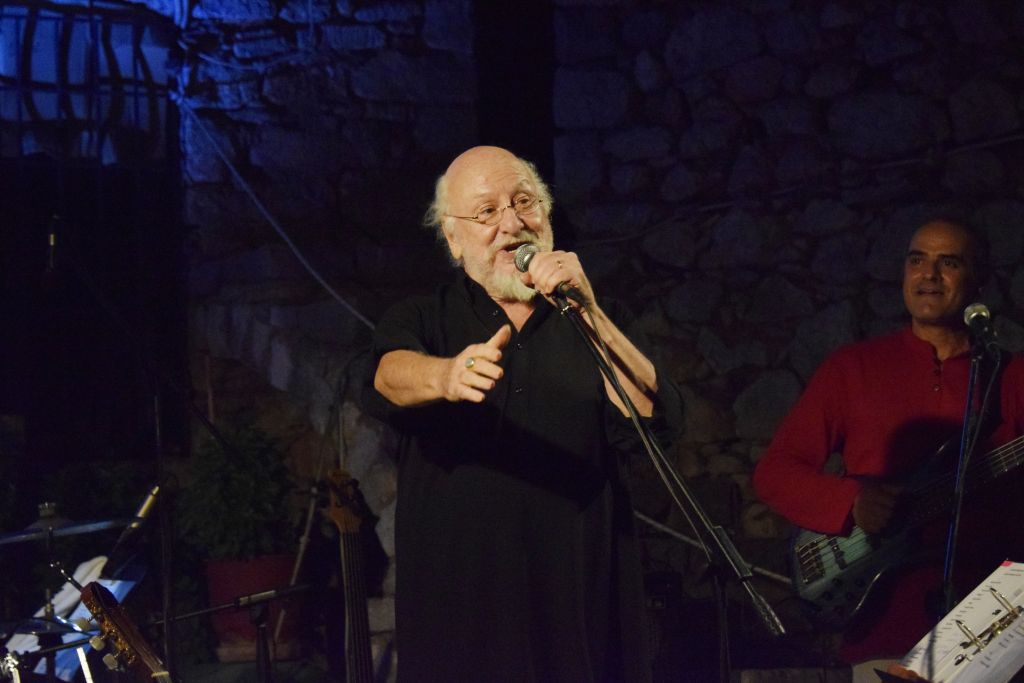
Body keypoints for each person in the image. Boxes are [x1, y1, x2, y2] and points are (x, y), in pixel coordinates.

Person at [362, 146, 683, 682]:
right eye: (487, 211)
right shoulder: (424, 317)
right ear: (453, 238)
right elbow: (386, 375)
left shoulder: (597, 319)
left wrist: (590, 311)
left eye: (524, 202)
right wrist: (446, 375)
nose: (512, 224)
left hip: (579, 608)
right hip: (461, 618)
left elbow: (656, 418)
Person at [753, 219, 1024, 676]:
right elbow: (775, 471)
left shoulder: (1011, 376)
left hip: (993, 633)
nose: (929, 274)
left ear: (978, 278)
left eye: (949, 262)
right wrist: (850, 502)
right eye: (917, 260)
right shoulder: (853, 368)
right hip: (883, 630)